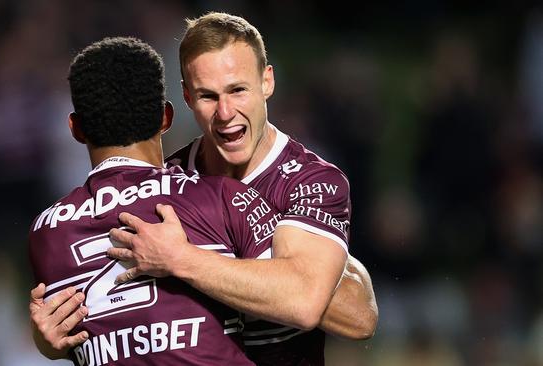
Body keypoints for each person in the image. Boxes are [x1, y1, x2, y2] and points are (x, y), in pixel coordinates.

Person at [31, 12, 378, 365]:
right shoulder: (169, 183)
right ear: (185, 99)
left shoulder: (309, 180)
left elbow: (355, 315)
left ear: (267, 82)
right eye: (208, 96)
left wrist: (185, 259)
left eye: (238, 90)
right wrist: (52, 339)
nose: (225, 112)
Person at [29, 36, 280, 365]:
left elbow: (69, 336)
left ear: (76, 128)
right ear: (166, 117)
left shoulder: (47, 233)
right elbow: (297, 301)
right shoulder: (221, 197)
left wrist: (45, 344)